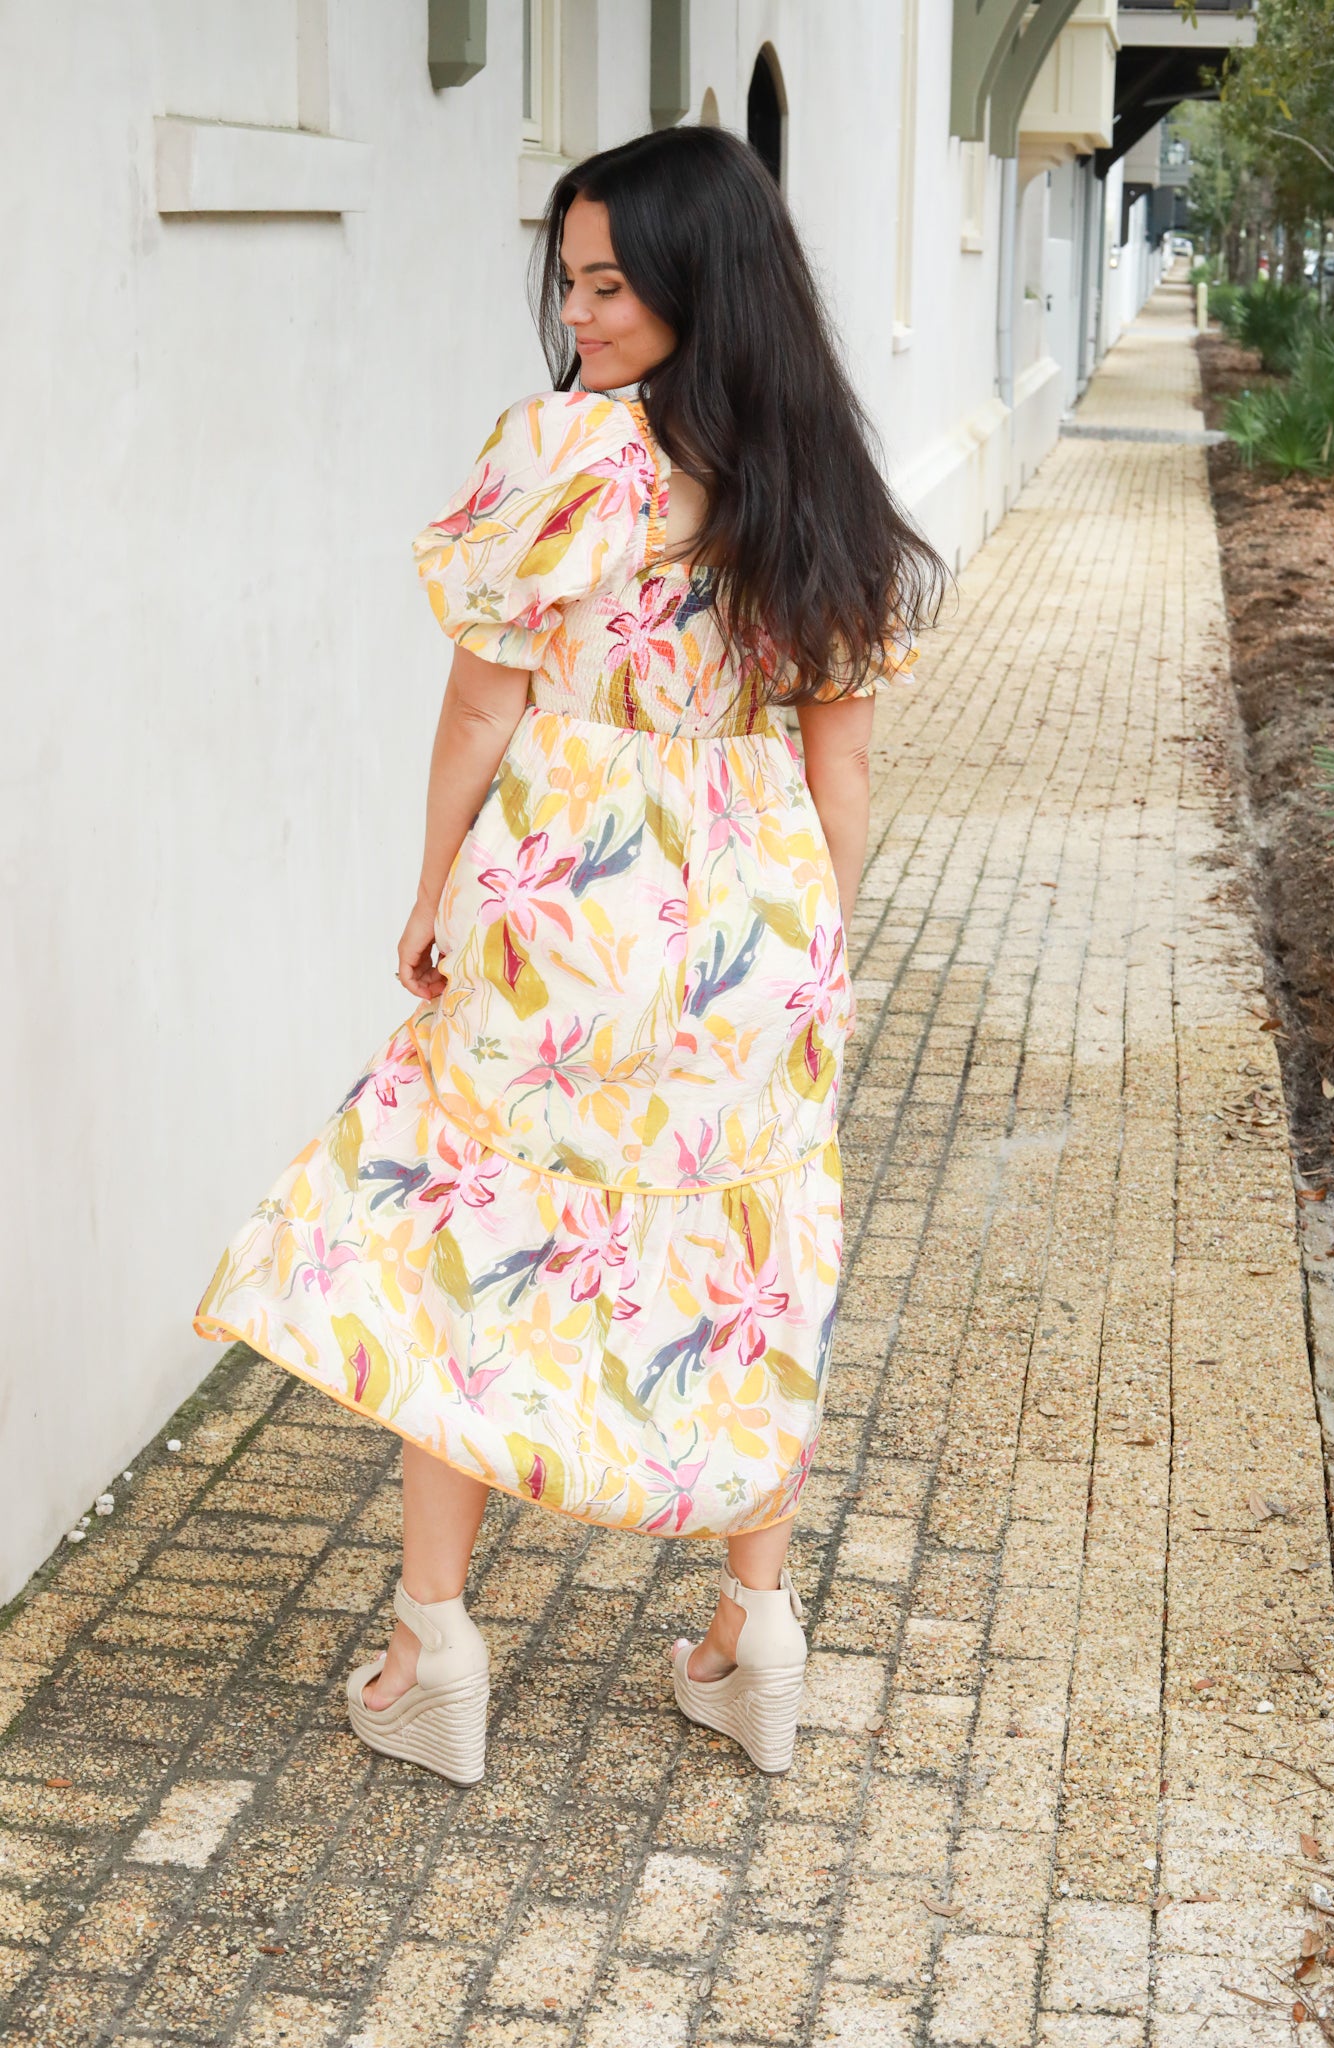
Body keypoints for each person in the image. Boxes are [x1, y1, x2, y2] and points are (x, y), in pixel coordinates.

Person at [195, 125, 945, 1784]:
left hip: (562, 905)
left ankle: (435, 1643)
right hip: (758, 916)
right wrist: (805, 955)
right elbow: (847, 770)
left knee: (465, 1238)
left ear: (696, 280)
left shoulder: (563, 456)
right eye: (569, 276)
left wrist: (428, 889)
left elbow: (483, 699)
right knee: (749, 1257)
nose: (577, 310)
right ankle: (757, 1640)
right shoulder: (828, 483)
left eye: (607, 281)